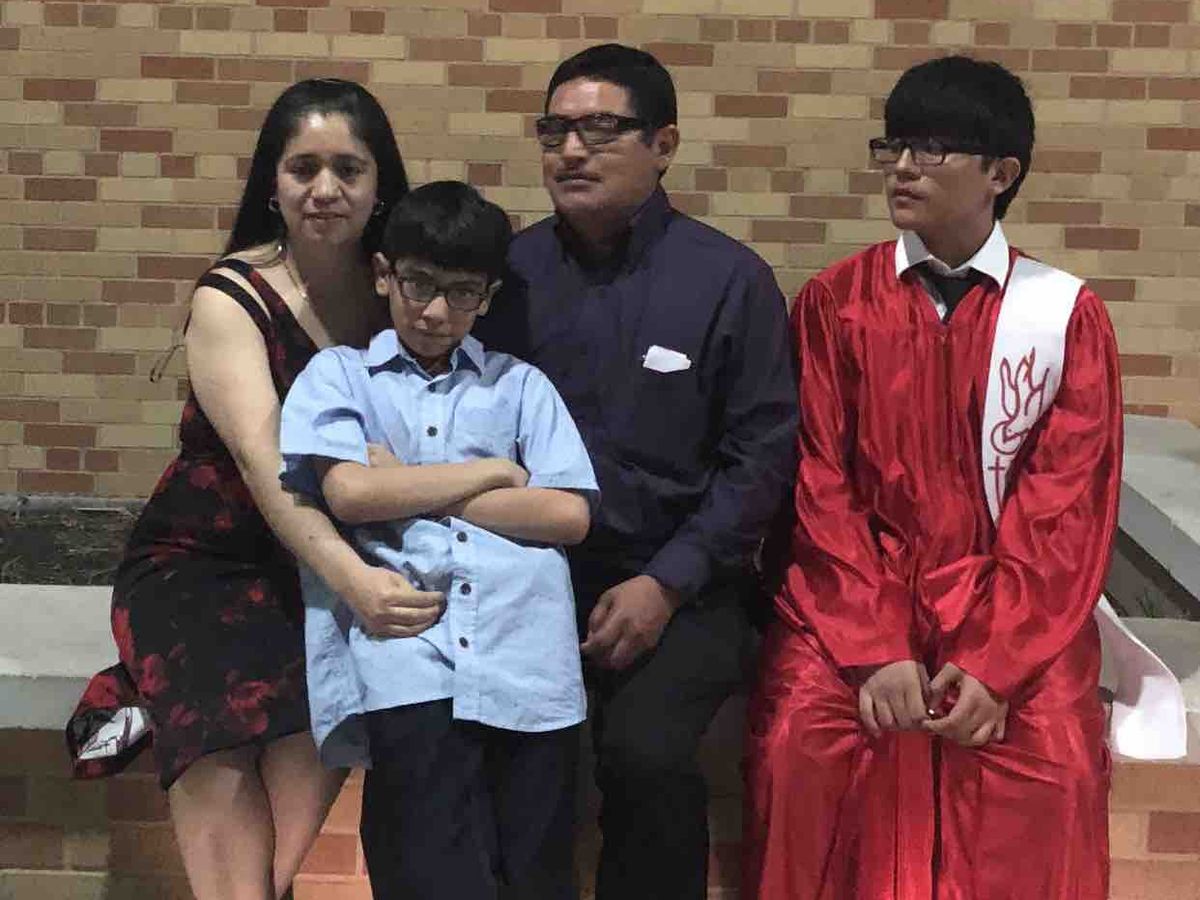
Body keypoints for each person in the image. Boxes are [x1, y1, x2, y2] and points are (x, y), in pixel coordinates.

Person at [743, 55, 1120, 899]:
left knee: (1054, 764)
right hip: (853, 598)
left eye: (933, 149)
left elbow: (1064, 507)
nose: (904, 167)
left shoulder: (1062, 317)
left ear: (1001, 174)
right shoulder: (836, 303)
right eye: (896, 146)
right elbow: (819, 482)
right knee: (800, 743)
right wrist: (874, 647)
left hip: (1012, 609)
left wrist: (995, 661)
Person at [66, 79, 444, 900]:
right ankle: (156, 682)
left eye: (349, 169)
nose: (325, 188)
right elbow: (268, 460)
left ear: (380, 187)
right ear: (272, 184)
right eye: (303, 168)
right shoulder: (231, 295)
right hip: (203, 565)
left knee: (281, 833)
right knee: (226, 751)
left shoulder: (404, 301)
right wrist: (355, 583)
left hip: (317, 571)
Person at [473, 44, 798, 900]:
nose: (571, 151)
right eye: (555, 131)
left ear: (664, 144)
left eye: (601, 129)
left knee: (645, 755)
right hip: (529, 574)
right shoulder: (507, 279)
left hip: (683, 581)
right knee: (499, 755)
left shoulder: (728, 281)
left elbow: (761, 457)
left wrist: (666, 584)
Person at [277, 180, 599, 900]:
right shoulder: (340, 376)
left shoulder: (521, 386)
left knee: (535, 876)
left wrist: (408, 480)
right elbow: (351, 494)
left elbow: (567, 516)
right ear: (384, 274)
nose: (434, 311)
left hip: (529, 662)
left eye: (461, 293)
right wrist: (494, 474)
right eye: (418, 283)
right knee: (426, 873)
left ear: (487, 297)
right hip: (411, 660)